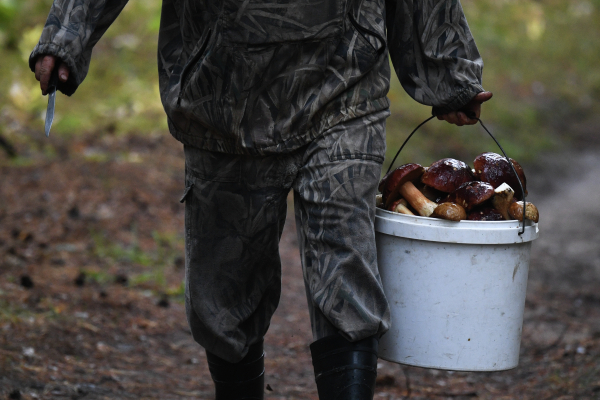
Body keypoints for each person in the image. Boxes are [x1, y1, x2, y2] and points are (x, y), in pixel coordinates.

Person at [31, 0, 492, 398]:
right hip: (221, 98)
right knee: (226, 296)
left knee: (344, 268)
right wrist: (67, 34)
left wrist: (448, 71)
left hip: (345, 85)